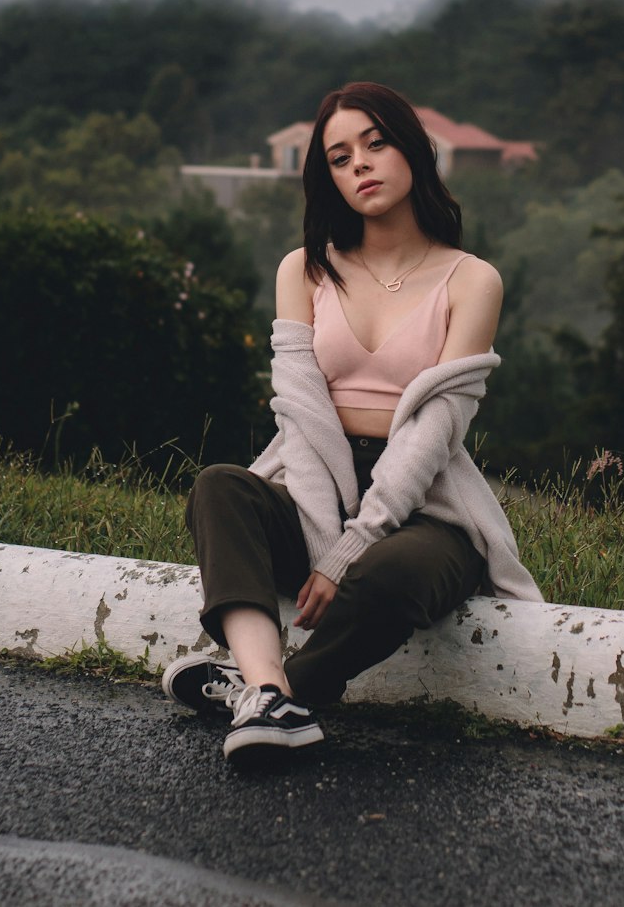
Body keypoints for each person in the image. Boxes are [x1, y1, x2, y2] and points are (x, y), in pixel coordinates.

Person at [161, 82, 542, 762]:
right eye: (339, 157)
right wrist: (322, 536)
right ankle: (269, 691)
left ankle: (269, 693)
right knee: (220, 487)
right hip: (315, 480)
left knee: (390, 573)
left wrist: (350, 548)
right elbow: (302, 417)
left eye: (376, 143)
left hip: (427, 505)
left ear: (414, 152)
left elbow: (434, 428)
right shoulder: (303, 271)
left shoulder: (471, 279)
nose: (360, 165)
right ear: (326, 179)